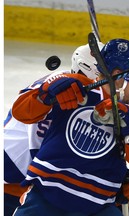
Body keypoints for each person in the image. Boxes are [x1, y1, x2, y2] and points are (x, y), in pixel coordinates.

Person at [11, 38, 129, 216]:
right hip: (46, 196)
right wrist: (44, 94)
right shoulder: (73, 86)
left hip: (98, 206)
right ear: (118, 75)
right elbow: (20, 113)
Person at [4, 42, 104, 216]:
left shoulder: (91, 96)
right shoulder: (60, 85)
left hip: (29, 177)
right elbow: (34, 132)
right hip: (11, 172)